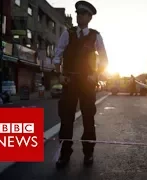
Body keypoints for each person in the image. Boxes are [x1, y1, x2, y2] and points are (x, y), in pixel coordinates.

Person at [52, 1, 108, 169]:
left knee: (88, 118)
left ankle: (88, 152)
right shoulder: (67, 33)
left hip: (87, 82)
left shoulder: (95, 35)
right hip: (69, 81)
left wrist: (95, 75)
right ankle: (64, 153)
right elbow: (57, 55)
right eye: (78, 13)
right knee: (66, 118)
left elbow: (104, 59)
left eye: (83, 14)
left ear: (89, 18)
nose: (79, 16)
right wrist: (59, 75)